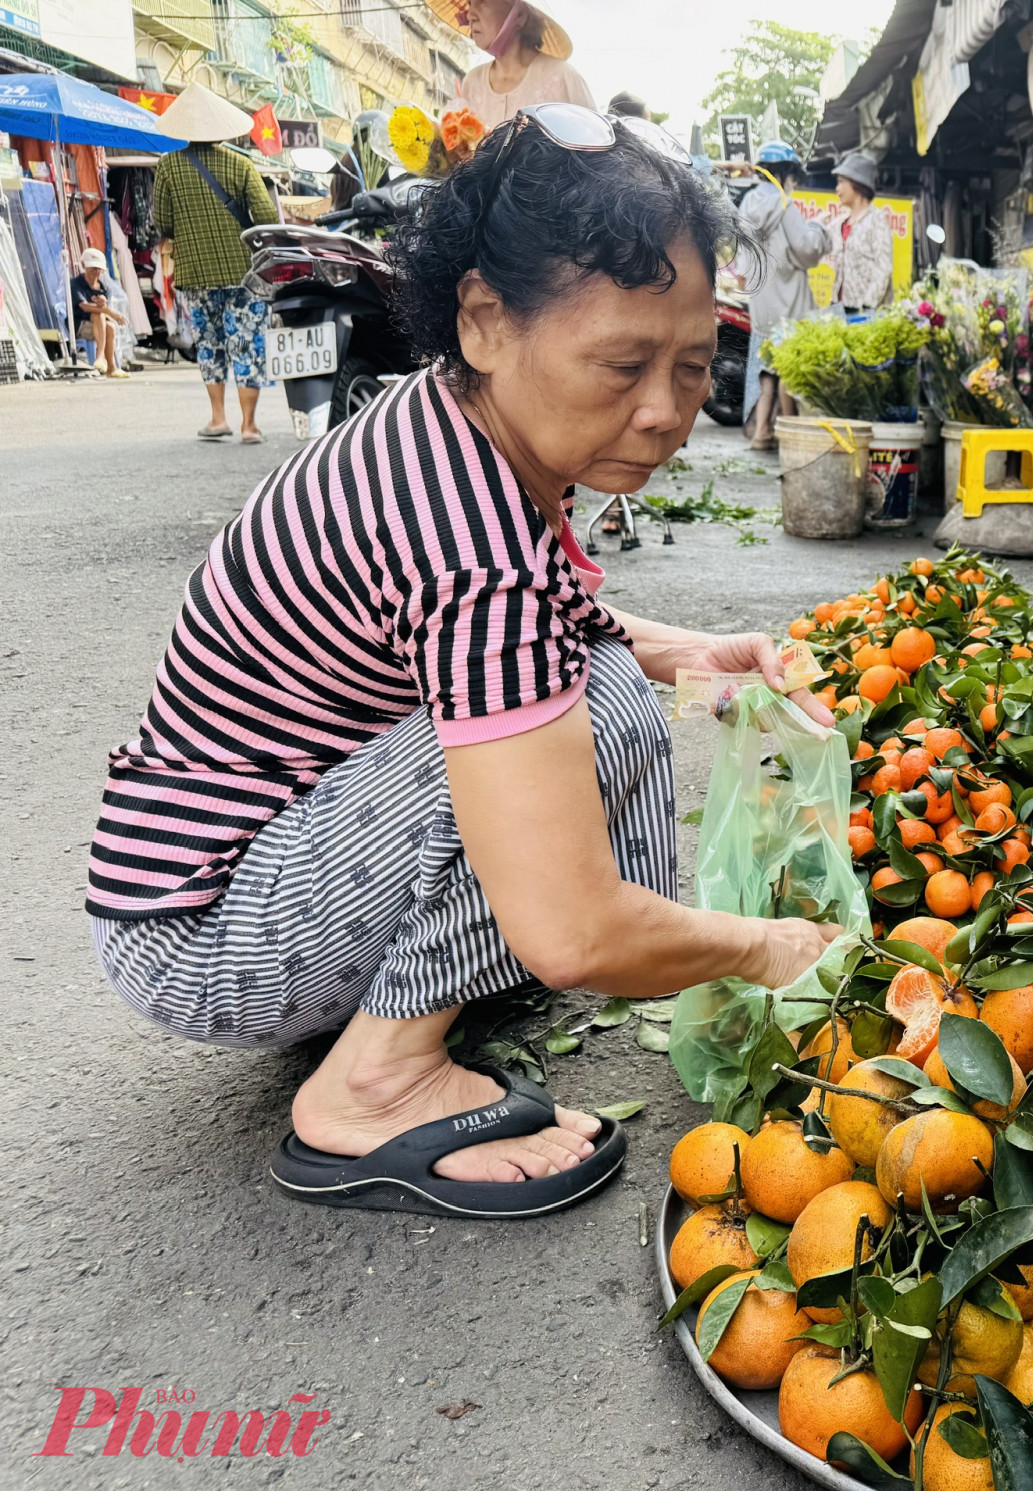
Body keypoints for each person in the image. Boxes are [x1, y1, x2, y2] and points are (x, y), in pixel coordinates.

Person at [87, 106, 839, 1219]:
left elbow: (533, 629)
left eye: (691, 365)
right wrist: (770, 949)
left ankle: (414, 1004)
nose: (665, 412)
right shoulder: (470, 539)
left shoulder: (444, 424)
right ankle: (372, 1085)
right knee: (591, 714)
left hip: (247, 880)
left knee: (605, 687)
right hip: (207, 939)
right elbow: (575, 927)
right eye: (623, 363)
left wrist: (687, 655)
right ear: (484, 319)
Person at [152, 84, 280, 442]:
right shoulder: (241, 164)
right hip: (243, 273)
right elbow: (266, 214)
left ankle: (218, 418)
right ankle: (249, 425)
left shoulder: (168, 167)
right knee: (246, 343)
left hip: (195, 274)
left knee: (210, 343)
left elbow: (162, 222)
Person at [738, 140, 830, 449]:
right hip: (790, 300)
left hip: (761, 301)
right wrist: (819, 229)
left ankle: (762, 431)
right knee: (790, 366)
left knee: (767, 367)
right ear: (786, 174)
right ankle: (790, 435)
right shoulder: (783, 204)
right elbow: (807, 250)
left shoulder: (748, 203)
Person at [441, 0, 594, 125]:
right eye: (470, 3)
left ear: (520, 15)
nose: (470, 15)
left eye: (482, 2)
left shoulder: (562, 77)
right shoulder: (472, 82)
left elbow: (597, 153)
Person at [828, 151, 893, 311]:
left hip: (865, 314)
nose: (837, 189)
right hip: (839, 309)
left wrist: (867, 306)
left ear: (857, 184)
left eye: (841, 182)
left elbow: (883, 268)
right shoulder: (839, 223)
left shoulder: (876, 220)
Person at [72, 247, 128, 379]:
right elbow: (84, 306)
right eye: (92, 268)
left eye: (98, 269)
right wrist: (110, 312)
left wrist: (104, 309)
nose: (95, 272)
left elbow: (102, 309)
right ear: (84, 266)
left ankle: (110, 367)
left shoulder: (104, 287)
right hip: (80, 324)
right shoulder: (75, 284)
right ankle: (101, 357)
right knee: (98, 314)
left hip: (99, 326)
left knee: (110, 326)